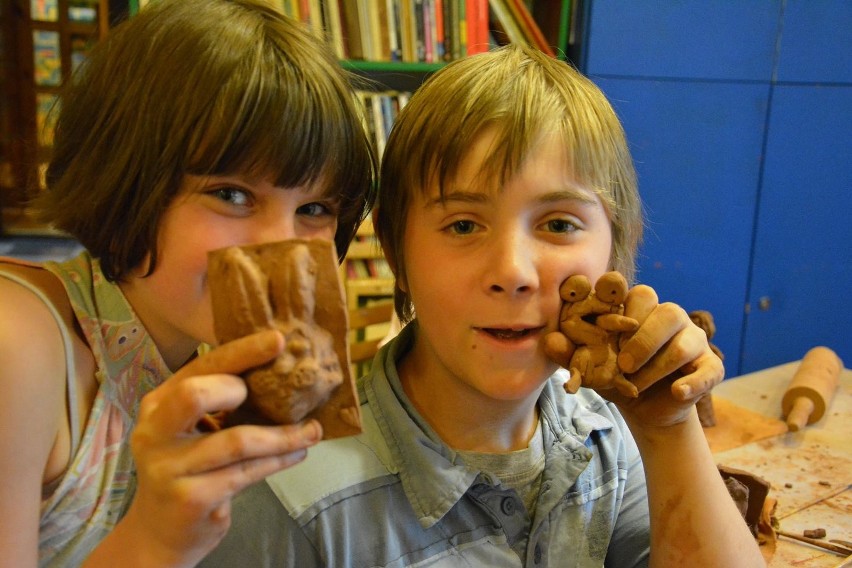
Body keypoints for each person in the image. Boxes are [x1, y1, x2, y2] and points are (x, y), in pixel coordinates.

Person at [200, 45, 763, 567]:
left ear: (616, 245)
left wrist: (669, 428)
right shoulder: (289, 493)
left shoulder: (607, 432)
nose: (513, 273)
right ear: (397, 251)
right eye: (463, 224)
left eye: (559, 224)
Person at [0, 1, 376, 566]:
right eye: (231, 194)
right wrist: (156, 540)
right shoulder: (18, 345)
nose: (284, 248)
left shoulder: (209, 354)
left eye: (316, 207)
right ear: (123, 178)